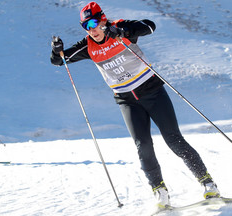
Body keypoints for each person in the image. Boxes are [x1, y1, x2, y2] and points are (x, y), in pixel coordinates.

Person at [50, 1, 220, 208]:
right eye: (86, 26)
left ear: (103, 19)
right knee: (143, 145)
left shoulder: (121, 28)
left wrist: (123, 32)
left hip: (153, 92)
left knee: (173, 139)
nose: (92, 29)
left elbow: (149, 26)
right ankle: (160, 192)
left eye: (94, 22)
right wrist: (56, 51)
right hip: (126, 100)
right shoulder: (89, 46)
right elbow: (60, 61)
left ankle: (208, 183)